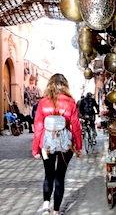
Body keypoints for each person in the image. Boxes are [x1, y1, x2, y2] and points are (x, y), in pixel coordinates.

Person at [32, 73, 82, 215]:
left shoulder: (42, 103)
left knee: (49, 175)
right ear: (65, 85)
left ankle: (46, 207)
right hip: (65, 145)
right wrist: (78, 147)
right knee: (60, 176)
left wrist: (36, 149)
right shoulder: (71, 102)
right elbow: (76, 127)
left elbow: (38, 128)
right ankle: (55, 212)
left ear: (50, 85)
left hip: (47, 146)